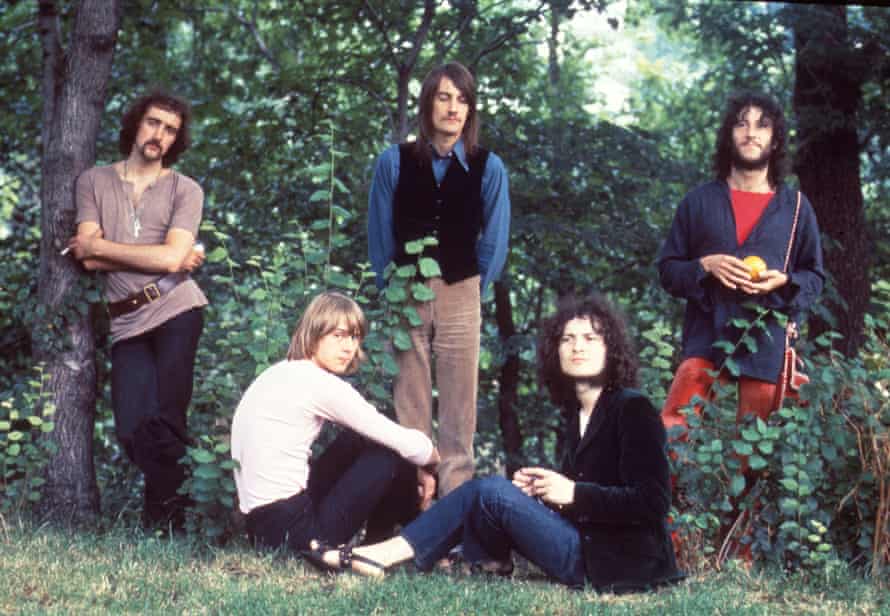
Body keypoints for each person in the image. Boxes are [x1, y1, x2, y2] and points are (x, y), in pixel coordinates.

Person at [313, 294, 682, 593]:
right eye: (567, 339)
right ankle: (492, 561)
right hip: (588, 547)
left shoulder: (632, 408)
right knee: (493, 493)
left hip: (616, 564)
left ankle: (384, 554)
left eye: (590, 338)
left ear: (611, 348)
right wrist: (544, 494)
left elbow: (651, 503)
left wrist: (573, 492)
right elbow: (589, 501)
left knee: (488, 490)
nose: (577, 347)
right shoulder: (578, 415)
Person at [367, 61, 511, 500]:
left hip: (462, 289)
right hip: (404, 289)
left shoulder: (488, 167)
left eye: (462, 99)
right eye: (444, 97)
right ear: (427, 104)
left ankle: (454, 517)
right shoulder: (394, 162)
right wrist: (390, 287)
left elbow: (495, 240)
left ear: (471, 110)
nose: (453, 108)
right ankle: (414, 513)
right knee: (409, 406)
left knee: (459, 411)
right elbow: (379, 235)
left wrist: (471, 288)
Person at [68, 91, 208, 528]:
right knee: (131, 426)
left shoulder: (186, 189)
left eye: (170, 130)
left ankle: (165, 526)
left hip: (177, 307)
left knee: (167, 418)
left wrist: (100, 247)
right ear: (135, 124)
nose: (159, 135)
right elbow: (88, 261)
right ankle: (188, 500)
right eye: (153, 123)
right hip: (126, 317)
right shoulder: (93, 181)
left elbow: (168, 261)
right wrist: (163, 253)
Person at [658, 91, 824, 440]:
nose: (751, 133)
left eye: (762, 126)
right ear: (728, 136)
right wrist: (704, 265)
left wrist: (784, 282)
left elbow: (814, 278)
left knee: (755, 449)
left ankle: (745, 497)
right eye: (741, 124)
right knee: (673, 433)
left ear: (776, 140)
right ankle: (667, 496)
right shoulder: (698, 202)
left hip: (766, 344)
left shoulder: (795, 207)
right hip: (705, 339)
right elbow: (668, 271)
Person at [230, 291, 440, 553]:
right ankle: (402, 543)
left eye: (354, 337)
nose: (349, 347)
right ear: (314, 334)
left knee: (360, 439)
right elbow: (404, 442)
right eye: (338, 336)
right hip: (293, 534)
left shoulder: (279, 372)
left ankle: (383, 540)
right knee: (389, 451)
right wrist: (432, 463)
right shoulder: (319, 384)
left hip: (260, 530)